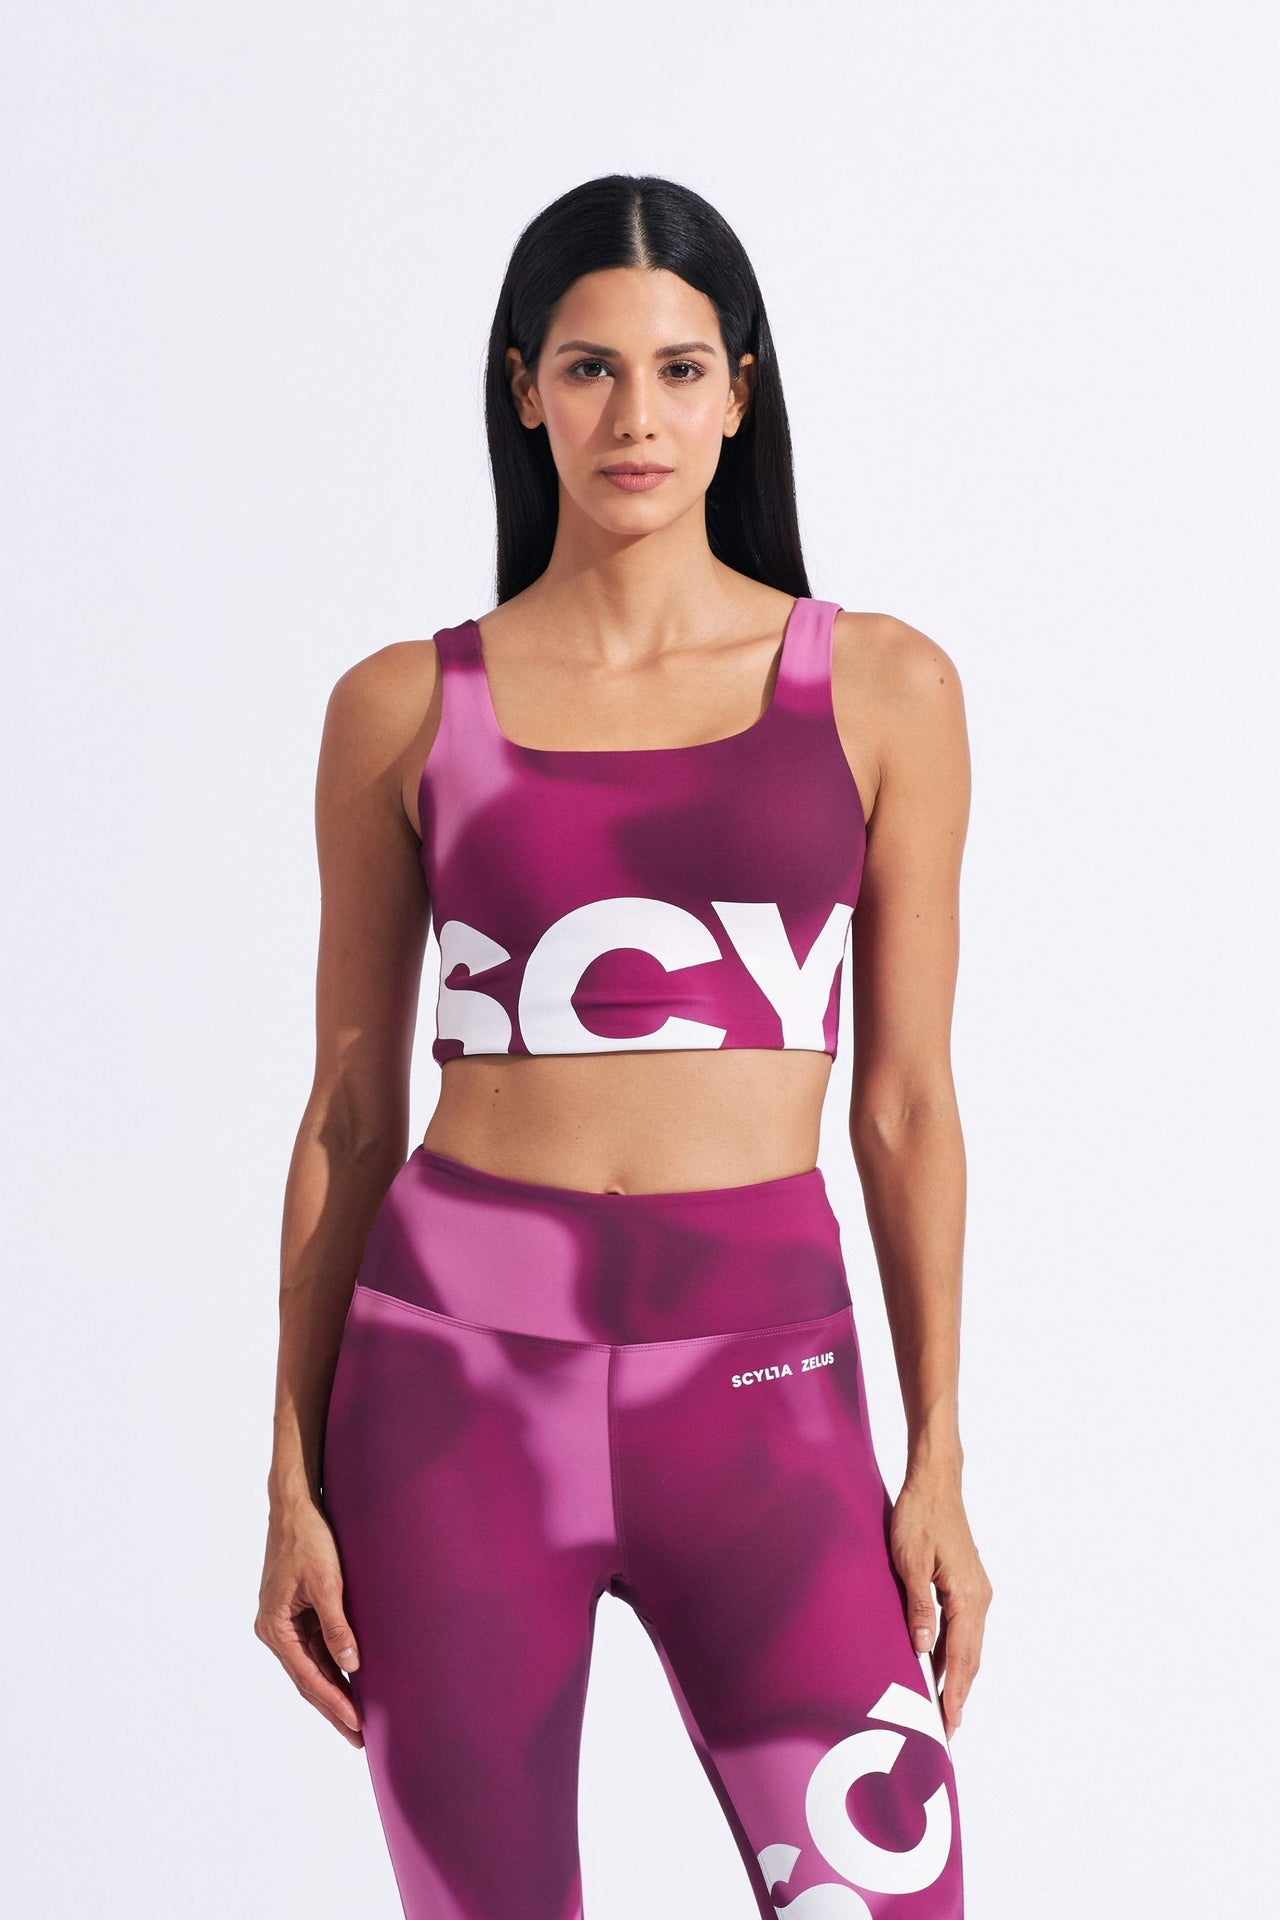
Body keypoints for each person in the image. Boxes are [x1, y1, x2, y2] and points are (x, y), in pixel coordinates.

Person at [255, 172, 991, 1920]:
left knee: (889, 1895)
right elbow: (350, 1114)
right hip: (447, 1400)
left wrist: (939, 1452)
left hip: (765, 1399)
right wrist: (289, 1471)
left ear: (741, 389)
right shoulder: (402, 708)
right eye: (589, 369)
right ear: (525, 389)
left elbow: (902, 1107)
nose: (635, 417)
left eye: (678, 369)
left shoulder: (882, 689)